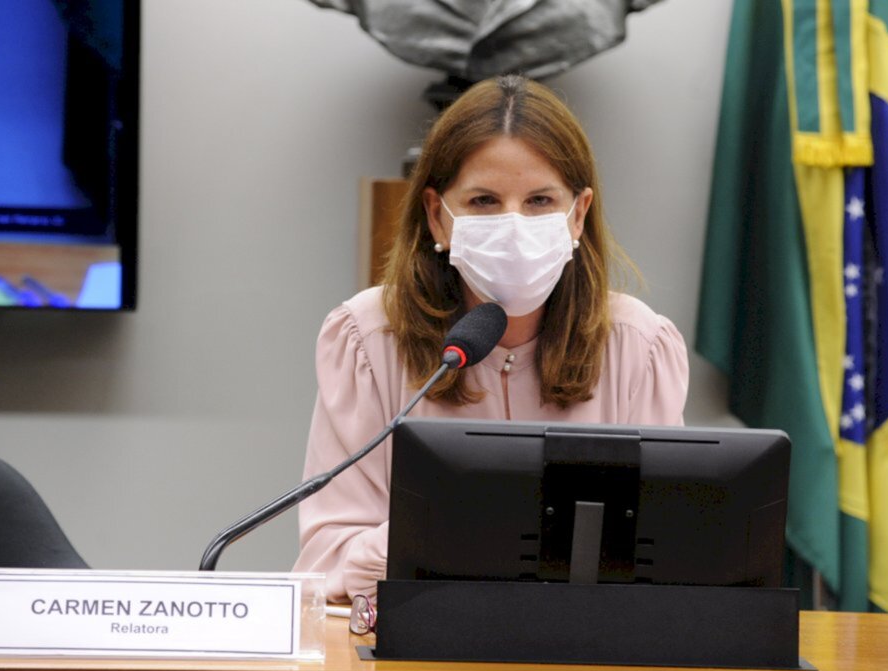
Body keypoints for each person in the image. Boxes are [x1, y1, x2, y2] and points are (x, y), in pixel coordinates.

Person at [292, 75, 688, 603]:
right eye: (483, 200)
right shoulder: (368, 338)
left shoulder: (640, 346)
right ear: (438, 215)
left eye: (540, 200)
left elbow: (668, 563)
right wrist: (465, 529)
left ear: (578, 213)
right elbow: (326, 562)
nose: (513, 225)